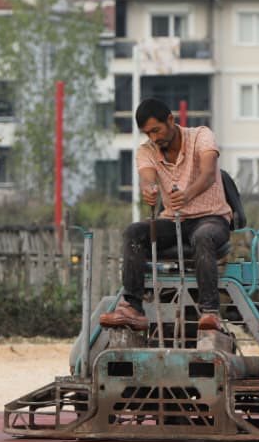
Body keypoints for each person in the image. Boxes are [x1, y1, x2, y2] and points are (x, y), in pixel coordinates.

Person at [99, 98, 233, 332]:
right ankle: (132, 308)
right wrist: (149, 189)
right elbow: (147, 176)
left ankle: (210, 312)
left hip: (212, 218)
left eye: (156, 130)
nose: (153, 138)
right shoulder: (146, 150)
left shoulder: (201, 136)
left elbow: (209, 173)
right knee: (134, 232)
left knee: (203, 236)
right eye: (147, 133)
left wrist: (188, 194)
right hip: (174, 221)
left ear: (170, 120)